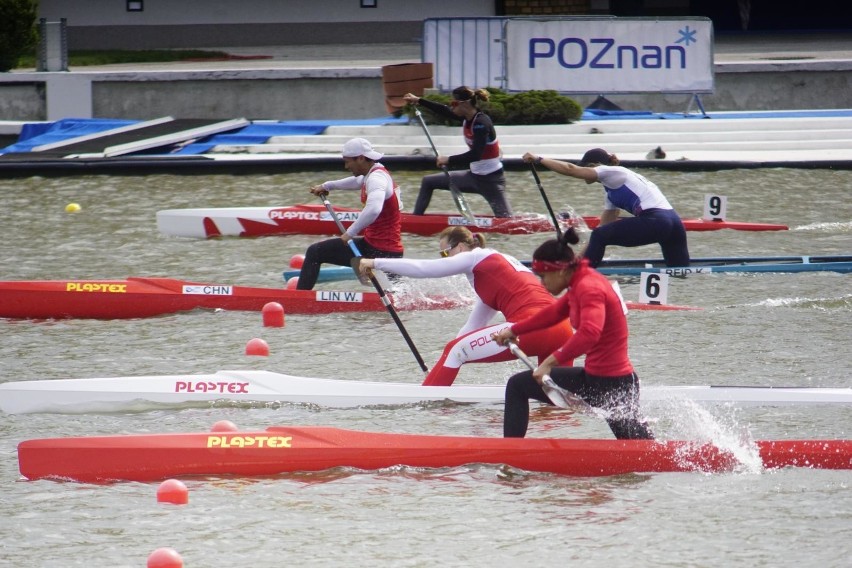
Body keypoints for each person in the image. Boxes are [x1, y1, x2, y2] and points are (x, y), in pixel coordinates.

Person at [491, 227, 654, 440]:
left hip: (613, 385)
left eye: (543, 276)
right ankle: (511, 453)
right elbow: (552, 314)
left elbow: (589, 334)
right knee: (517, 385)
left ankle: (680, 459)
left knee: (639, 449)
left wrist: (548, 363)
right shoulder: (579, 283)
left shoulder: (589, 287)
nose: (542, 284)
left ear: (559, 270)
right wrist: (512, 330)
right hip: (594, 379)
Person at [356, 226, 572, 386]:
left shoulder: (475, 257)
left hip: (534, 327)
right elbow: (470, 330)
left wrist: (375, 262)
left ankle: (428, 408)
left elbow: (425, 268)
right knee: (556, 401)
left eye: (444, 252)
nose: (444, 258)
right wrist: (442, 366)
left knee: (455, 351)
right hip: (562, 330)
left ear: (459, 247)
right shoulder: (497, 270)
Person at [522, 148, 689, 267]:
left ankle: (581, 275)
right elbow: (602, 229)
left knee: (600, 236)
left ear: (595, 165)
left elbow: (571, 170)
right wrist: (576, 259)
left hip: (657, 221)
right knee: (679, 273)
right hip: (674, 224)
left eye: (586, 167)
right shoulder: (612, 193)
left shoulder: (613, 172)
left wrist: (539, 160)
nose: (583, 172)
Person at [296, 138, 404, 290]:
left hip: (381, 251)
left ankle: (300, 300)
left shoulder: (376, 179)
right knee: (398, 295)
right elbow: (356, 181)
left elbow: (373, 209)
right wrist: (327, 186)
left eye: (348, 162)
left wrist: (350, 233)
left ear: (360, 158)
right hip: (381, 247)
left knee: (315, 252)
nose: (346, 166)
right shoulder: (374, 173)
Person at [403, 87, 512, 218]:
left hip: (492, 180)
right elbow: (443, 110)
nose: (451, 107)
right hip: (473, 177)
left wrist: (448, 160)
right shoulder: (466, 118)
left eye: (454, 104)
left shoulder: (481, 123)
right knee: (428, 181)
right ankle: (416, 220)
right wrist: (419, 100)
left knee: (507, 221)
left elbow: (475, 155)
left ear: (464, 104)